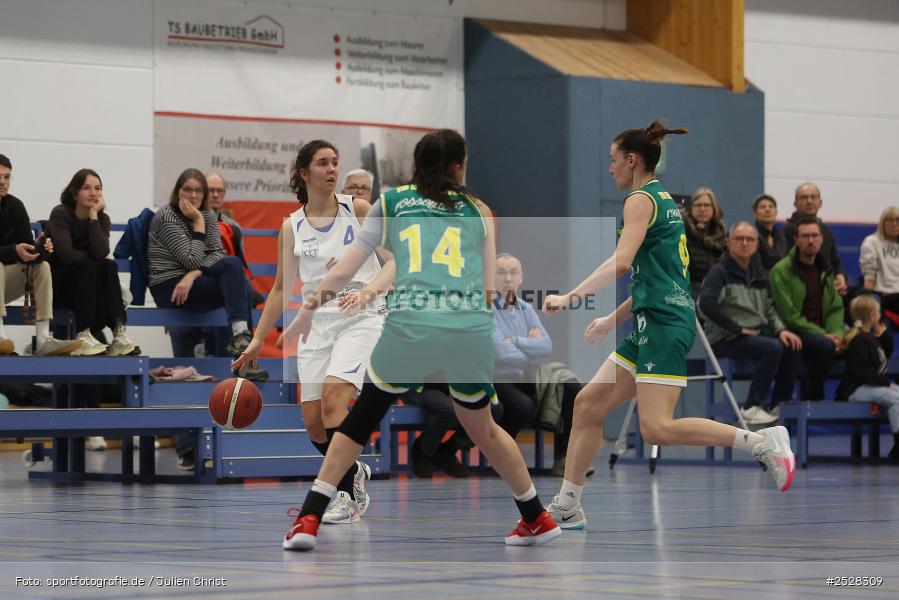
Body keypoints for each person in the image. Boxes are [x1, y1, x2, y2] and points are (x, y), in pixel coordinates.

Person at [259, 129, 562, 551]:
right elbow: (489, 291)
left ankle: (310, 517)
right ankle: (536, 516)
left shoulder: (393, 202)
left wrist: (308, 309)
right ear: (459, 166)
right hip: (468, 329)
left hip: (414, 325)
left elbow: (345, 269)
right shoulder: (479, 210)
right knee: (486, 429)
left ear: (416, 165)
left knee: (359, 420)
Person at [542, 120, 796, 531]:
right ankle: (569, 504)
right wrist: (611, 319)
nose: (610, 170)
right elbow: (655, 280)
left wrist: (571, 296)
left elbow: (622, 263)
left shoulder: (640, 200)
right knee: (587, 405)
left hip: (664, 324)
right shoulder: (660, 200)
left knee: (656, 427)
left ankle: (760, 441)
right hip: (654, 318)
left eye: (612, 161)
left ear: (631, 160)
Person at [231, 140, 394, 524]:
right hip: (317, 322)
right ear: (304, 174)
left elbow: (395, 264)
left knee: (336, 398)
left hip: (363, 314)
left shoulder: (358, 209)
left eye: (336, 162)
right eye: (323, 163)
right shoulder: (292, 226)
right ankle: (354, 473)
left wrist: (370, 291)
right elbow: (280, 289)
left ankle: (345, 495)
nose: (332, 169)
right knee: (313, 422)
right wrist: (257, 339)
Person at [700, 222, 802, 424]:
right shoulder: (718, 273)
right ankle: (751, 406)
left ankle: (778, 406)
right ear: (729, 243)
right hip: (724, 339)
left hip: (752, 336)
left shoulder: (759, 274)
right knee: (771, 348)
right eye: (739, 239)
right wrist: (735, 328)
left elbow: (769, 308)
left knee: (792, 346)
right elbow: (705, 305)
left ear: (756, 245)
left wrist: (781, 330)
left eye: (750, 240)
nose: (744, 243)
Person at [147, 168, 253, 356]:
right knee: (240, 287)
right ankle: (242, 354)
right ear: (177, 191)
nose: (193, 195)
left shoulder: (207, 214)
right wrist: (198, 223)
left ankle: (240, 336)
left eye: (198, 190)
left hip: (193, 282)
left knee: (233, 264)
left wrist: (193, 275)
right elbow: (191, 259)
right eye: (187, 189)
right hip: (170, 286)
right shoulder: (167, 215)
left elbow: (217, 254)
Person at [492, 252, 579, 475]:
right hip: (497, 377)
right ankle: (499, 454)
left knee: (570, 387)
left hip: (524, 375)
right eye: (501, 273)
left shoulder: (525, 309)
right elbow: (500, 353)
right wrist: (529, 348)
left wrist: (516, 341)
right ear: (491, 277)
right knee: (523, 406)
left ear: (521, 277)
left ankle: (564, 458)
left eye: (513, 272)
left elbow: (546, 346)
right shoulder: (486, 308)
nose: (508, 279)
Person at [47, 169, 138, 357]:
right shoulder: (61, 213)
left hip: (90, 288)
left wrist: (94, 216)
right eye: (86, 188)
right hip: (60, 285)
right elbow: (67, 256)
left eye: (98, 188)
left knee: (108, 266)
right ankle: (83, 334)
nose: (93, 193)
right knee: (92, 265)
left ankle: (118, 332)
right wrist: (96, 257)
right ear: (74, 192)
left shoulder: (102, 218)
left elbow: (101, 252)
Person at [0, 154, 80, 356]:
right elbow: (14, 250)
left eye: (7, 177)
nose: (3, 182)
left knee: (42, 267)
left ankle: (44, 339)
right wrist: (13, 250)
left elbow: (25, 249)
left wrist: (41, 250)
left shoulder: (15, 206)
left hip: (5, 283)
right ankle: (0, 336)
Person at [769, 216, 845, 401]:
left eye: (814, 235)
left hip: (823, 333)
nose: (810, 241)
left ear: (821, 239)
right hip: (795, 330)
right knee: (824, 345)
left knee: (861, 342)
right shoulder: (781, 270)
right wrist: (823, 334)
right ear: (796, 239)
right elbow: (789, 314)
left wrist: (836, 333)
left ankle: (847, 399)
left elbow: (836, 307)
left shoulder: (825, 270)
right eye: (805, 236)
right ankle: (814, 399)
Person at [836, 295, 899, 461]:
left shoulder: (870, 338)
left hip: (869, 387)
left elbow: (884, 354)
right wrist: (886, 383)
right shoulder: (859, 340)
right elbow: (861, 370)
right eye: (878, 312)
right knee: (896, 398)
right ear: (872, 316)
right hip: (856, 389)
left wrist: (884, 335)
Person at [781, 182, 847, 295]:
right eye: (804, 197)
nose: (809, 201)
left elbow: (835, 260)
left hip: (828, 288)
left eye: (813, 197)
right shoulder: (787, 231)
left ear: (820, 203)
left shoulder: (825, 230)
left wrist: (840, 275)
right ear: (795, 204)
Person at [683, 187, 727, 297]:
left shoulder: (722, 234)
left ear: (714, 208)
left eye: (706, 205)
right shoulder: (682, 231)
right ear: (691, 207)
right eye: (698, 205)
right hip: (689, 289)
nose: (702, 209)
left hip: (718, 290)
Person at [860, 206, 899, 316]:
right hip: (885, 296)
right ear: (882, 223)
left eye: (898, 220)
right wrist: (870, 302)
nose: (894, 224)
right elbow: (869, 277)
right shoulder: (872, 242)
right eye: (890, 220)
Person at [753, 194, 789, 271]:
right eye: (763, 207)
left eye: (771, 207)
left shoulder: (782, 235)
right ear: (755, 214)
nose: (767, 209)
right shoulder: (752, 236)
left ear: (776, 212)